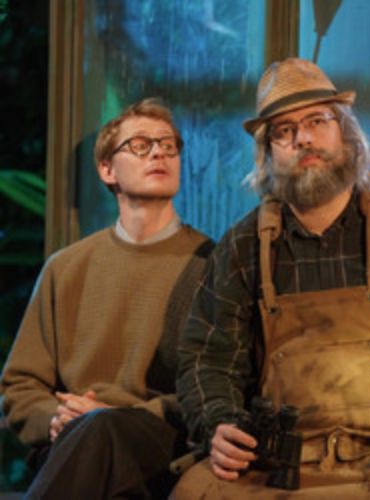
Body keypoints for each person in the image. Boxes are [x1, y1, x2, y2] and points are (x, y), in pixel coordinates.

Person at [172, 58, 370, 499]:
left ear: (346, 131)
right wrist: (220, 423)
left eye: (317, 120)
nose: (303, 138)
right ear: (268, 153)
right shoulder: (245, 246)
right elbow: (208, 359)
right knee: (194, 491)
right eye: (284, 131)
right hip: (283, 462)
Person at [0, 98, 213, 499]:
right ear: (107, 170)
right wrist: (56, 419)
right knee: (92, 438)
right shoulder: (66, 268)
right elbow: (20, 385)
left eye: (168, 145)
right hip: (73, 440)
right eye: (141, 145)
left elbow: (215, 390)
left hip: (162, 441)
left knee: (100, 430)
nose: (158, 153)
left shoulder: (211, 266)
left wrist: (114, 415)